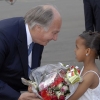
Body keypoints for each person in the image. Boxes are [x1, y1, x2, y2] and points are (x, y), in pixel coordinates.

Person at [0, 4, 62, 100]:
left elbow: (31, 71)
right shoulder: (3, 36)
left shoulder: (38, 38)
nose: (55, 38)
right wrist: (17, 97)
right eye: (54, 33)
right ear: (38, 28)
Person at [66, 31, 100, 100]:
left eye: (77, 48)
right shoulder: (85, 68)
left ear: (87, 51)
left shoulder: (90, 75)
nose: (75, 50)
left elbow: (73, 98)